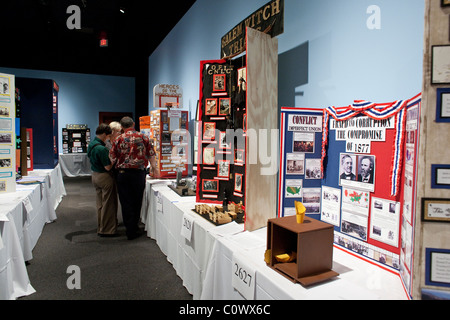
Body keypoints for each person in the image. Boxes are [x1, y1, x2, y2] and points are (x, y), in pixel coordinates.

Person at [109, 116, 158, 240]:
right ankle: (134, 227)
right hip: (138, 173)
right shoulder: (143, 137)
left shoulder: (118, 139)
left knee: (125, 201)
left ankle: (129, 228)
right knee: (137, 200)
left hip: (123, 174)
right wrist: (154, 168)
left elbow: (112, 157)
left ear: (121, 127)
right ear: (134, 124)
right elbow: (151, 154)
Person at [87, 123, 119, 237]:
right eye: (109, 136)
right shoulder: (102, 149)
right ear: (105, 134)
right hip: (105, 177)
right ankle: (108, 229)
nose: (109, 138)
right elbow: (108, 167)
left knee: (100, 204)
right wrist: (114, 160)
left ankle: (101, 226)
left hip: (95, 176)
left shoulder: (92, 144)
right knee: (109, 204)